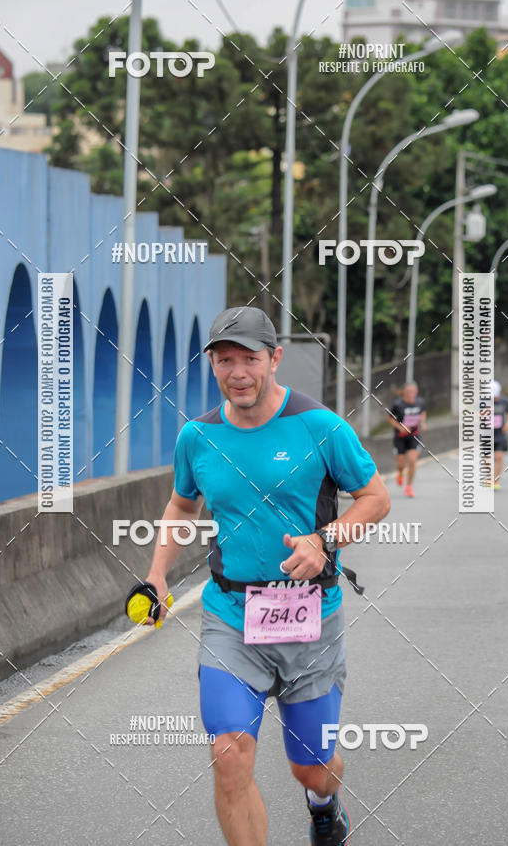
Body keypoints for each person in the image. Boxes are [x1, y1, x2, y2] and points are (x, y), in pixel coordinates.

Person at [141, 306, 390, 846]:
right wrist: (158, 573)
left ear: (274, 359)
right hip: (230, 618)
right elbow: (182, 508)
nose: (238, 373)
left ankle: (323, 804)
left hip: (310, 619)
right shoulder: (197, 437)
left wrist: (325, 540)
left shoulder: (321, 427)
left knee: (313, 767)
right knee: (229, 755)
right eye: (224, 360)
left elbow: (375, 499)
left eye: (249, 359)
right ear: (212, 365)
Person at [387, 381, 427, 498]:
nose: (411, 394)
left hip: (414, 436)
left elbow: (423, 413)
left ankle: (409, 487)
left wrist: (423, 423)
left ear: (416, 392)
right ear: (404, 392)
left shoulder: (420, 402)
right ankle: (400, 473)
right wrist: (400, 427)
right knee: (401, 464)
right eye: (408, 391)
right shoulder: (398, 404)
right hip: (400, 437)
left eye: (413, 391)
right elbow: (389, 417)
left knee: (413, 461)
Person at [492, 381, 508, 490]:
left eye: (495, 397)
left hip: (500, 434)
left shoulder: (505, 401)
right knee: (486, 459)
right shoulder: (482, 402)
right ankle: (490, 476)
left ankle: (495, 481)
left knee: (499, 457)